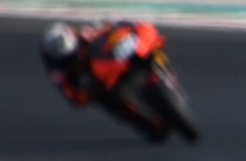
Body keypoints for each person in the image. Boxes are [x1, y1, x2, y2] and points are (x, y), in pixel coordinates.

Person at [40, 20, 170, 140]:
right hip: (98, 81)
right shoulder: (59, 71)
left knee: (144, 44)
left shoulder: (86, 34)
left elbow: (115, 27)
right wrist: (90, 91)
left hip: (112, 60)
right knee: (112, 100)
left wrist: (122, 36)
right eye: (70, 57)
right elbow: (75, 97)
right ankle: (147, 121)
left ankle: (163, 70)